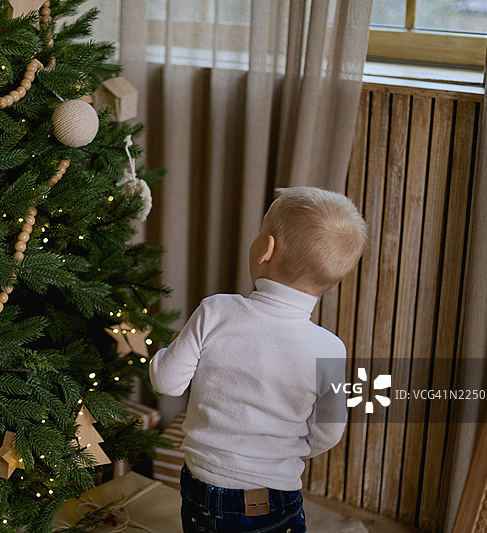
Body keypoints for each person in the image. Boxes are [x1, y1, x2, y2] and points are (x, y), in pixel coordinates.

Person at [149, 187, 368, 532]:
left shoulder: (216, 311)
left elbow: (167, 382)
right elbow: (329, 432)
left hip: (203, 487)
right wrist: (285, 450)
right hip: (275, 494)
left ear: (266, 249)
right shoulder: (331, 349)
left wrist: (171, 350)